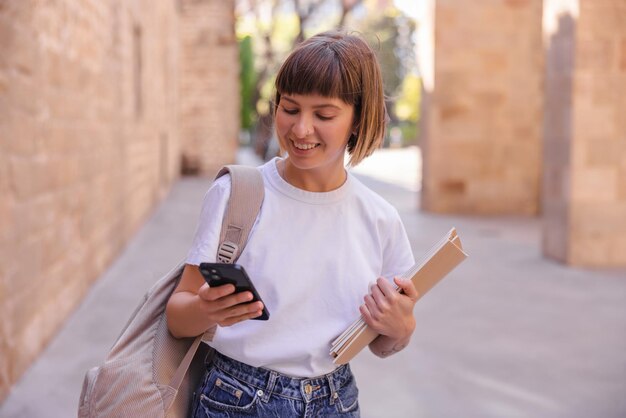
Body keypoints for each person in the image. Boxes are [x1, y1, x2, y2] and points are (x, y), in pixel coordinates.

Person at [166, 30, 418, 417]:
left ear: (357, 118)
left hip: (336, 400)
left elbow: (382, 344)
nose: (300, 130)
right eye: (290, 108)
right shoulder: (236, 195)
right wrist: (207, 310)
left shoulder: (380, 219)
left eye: (324, 114)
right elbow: (177, 316)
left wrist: (400, 328)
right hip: (234, 398)